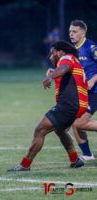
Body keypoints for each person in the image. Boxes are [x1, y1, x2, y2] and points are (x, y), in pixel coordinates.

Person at [8, 41, 88, 171]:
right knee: (60, 130)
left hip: (70, 104)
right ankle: (75, 160)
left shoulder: (66, 57)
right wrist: (54, 71)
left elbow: (65, 68)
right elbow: (65, 72)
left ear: (60, 52)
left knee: (40, 129)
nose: (51, 56)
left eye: (52, 53)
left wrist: (50, 76)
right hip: (77, 105)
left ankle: (24, 165)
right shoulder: (71, 61)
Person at [69, 20, 97, 161]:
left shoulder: (91, 47)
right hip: (82, 93)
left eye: (74, 31)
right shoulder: (72, 50)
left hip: (95, 92)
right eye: (70, 31)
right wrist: (54, 71)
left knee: (79, 123)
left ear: (83, 33)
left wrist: (93, 80)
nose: (71, 34)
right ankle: (87, 155)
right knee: (76, 124)